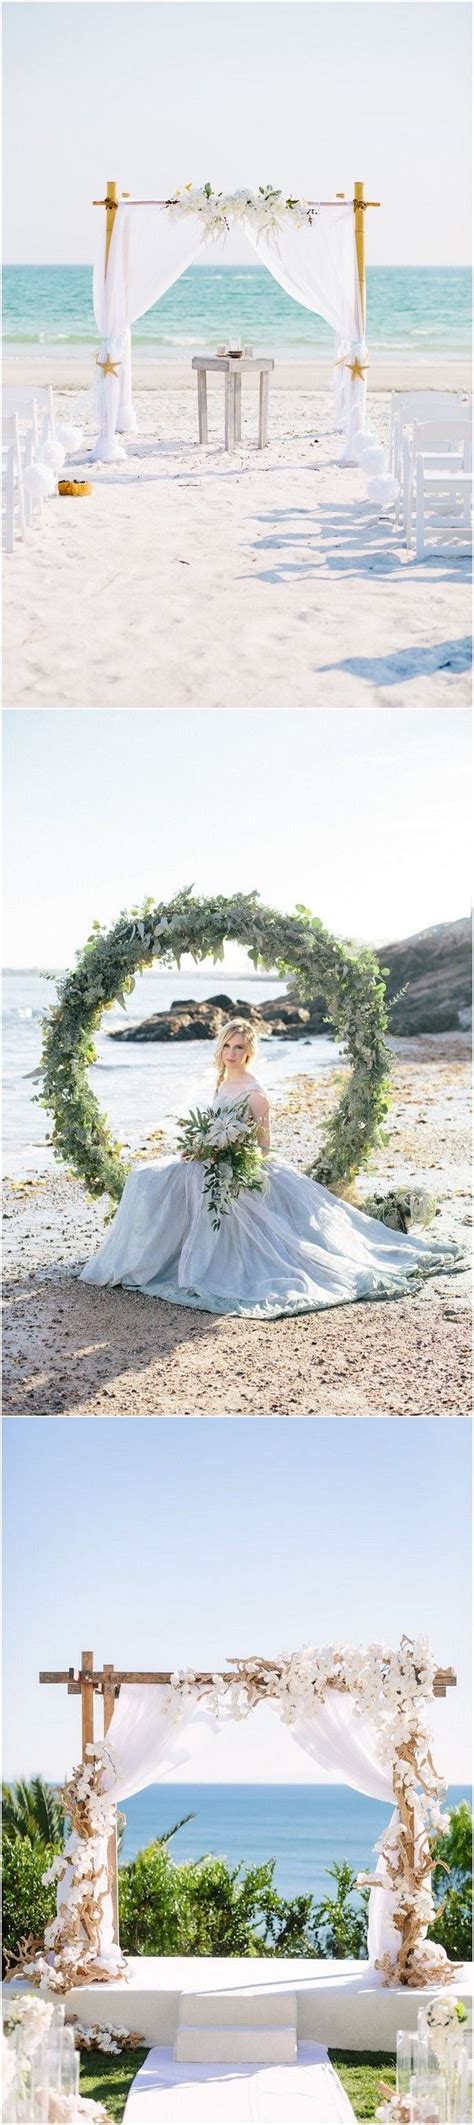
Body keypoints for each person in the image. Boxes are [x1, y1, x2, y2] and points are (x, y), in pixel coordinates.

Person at [80, 1018, 463, 1319]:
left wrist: (230, 1157)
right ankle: (139, 1259)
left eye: (239, 1047)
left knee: (165, 1180)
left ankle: (164, 1263)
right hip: (207, 1158)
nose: (231, 1053)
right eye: (227, 1045)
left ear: (249, 1052)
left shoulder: (255, 1093)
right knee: (145, 1175)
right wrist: (202, 1148)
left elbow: (264, 1147)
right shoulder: (222, 1082)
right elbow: (214, 1127)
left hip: (235, 1164)